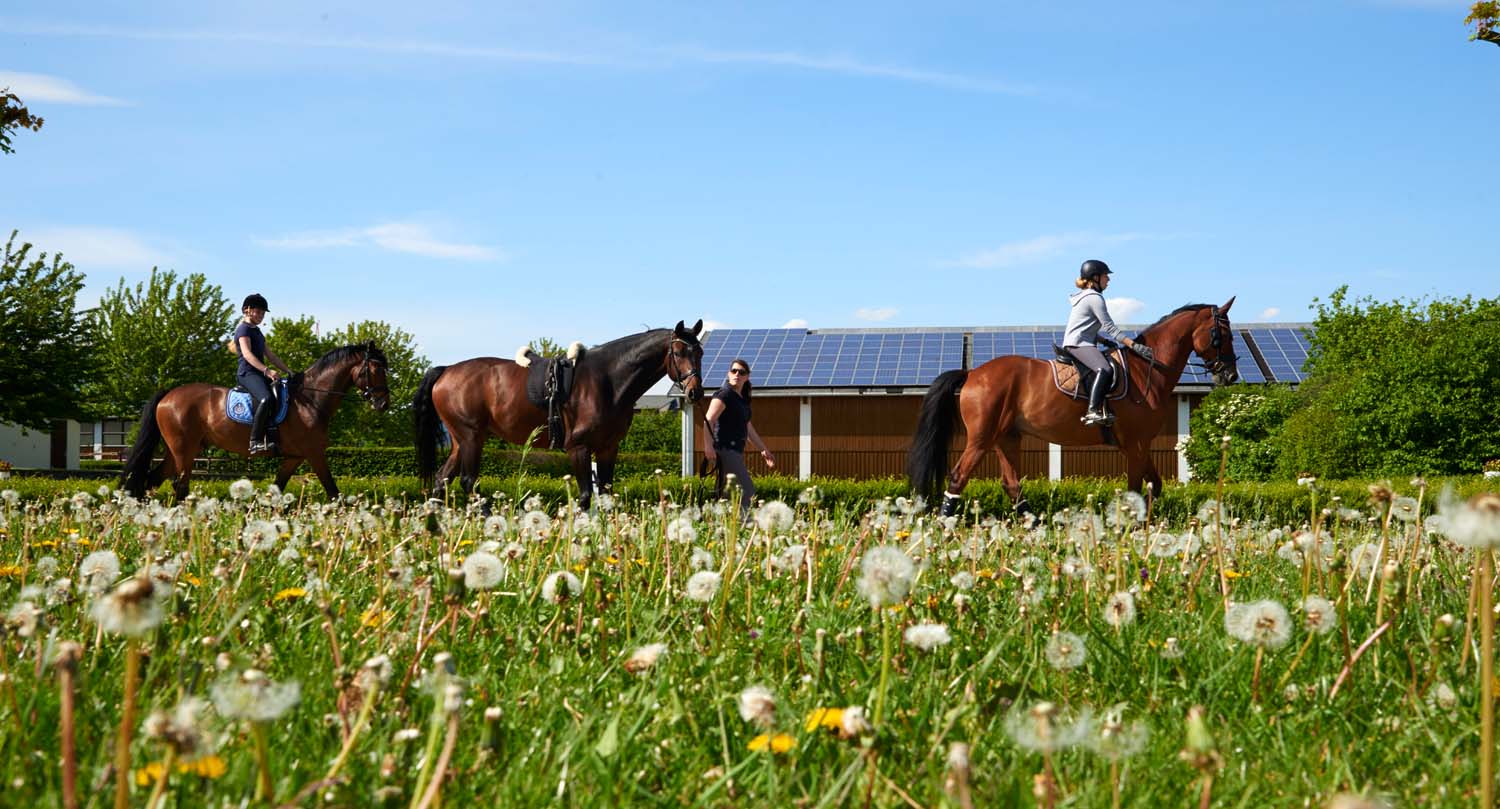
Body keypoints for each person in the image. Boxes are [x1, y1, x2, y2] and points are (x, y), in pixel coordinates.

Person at [1062, 260, 1154, 426]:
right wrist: (1134, 345)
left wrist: (1104, 341)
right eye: (1106, 276)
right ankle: (1092, 411)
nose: (1108, 280)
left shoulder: (1085, 297)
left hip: (1078, 341)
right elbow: (1110, 327)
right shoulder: (1094, 298)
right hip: (1079, 344)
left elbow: (1085, 328)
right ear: (1095, 277)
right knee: (1104, 369)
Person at [703, 359, 775, 518]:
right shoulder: (724, 394)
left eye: (741, 372)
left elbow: (748, 428)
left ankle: (719, 530)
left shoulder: (742, 400)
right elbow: (709, 419)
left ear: (747, 376)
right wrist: (708, 446)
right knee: (747, 491)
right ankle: (746, 529)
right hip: (724, 450)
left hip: (735, 451)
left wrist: (763, 449)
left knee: (727, 495)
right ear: (729, 374)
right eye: (734, 371)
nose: (737, 374)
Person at [232, 293, 294, 455]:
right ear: (247, 310)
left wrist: (288, 370)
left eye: (263, 313)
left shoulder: (257, 332)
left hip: (259, 373)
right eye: (258, 312)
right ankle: (255, 441)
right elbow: (247, 355)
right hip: (247, 374)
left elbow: (271, 356)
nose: (260, 315)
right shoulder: (243, 329)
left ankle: (272, 436)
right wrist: (267, 370)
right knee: (266, 399)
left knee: (280, 394)